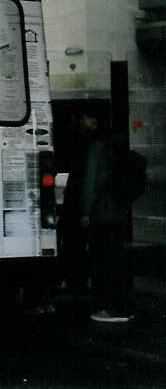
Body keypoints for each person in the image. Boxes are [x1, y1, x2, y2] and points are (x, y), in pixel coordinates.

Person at [80, 118, 133, 323]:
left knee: (102, 263)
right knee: (117, 261)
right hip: (119, 214)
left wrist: (85, 212)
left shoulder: (96, 150)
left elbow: (91, 184)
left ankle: (109, 309)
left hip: (102, 214)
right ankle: (122, 307)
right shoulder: (117, 149)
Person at [58, 108, 99, 299]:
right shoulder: (93, 142)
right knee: (79, 244)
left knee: (72, 243)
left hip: (76, 202)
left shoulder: (83, 142)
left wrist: (84, 210)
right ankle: (78, 282)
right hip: (82, 202)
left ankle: (74, 282)